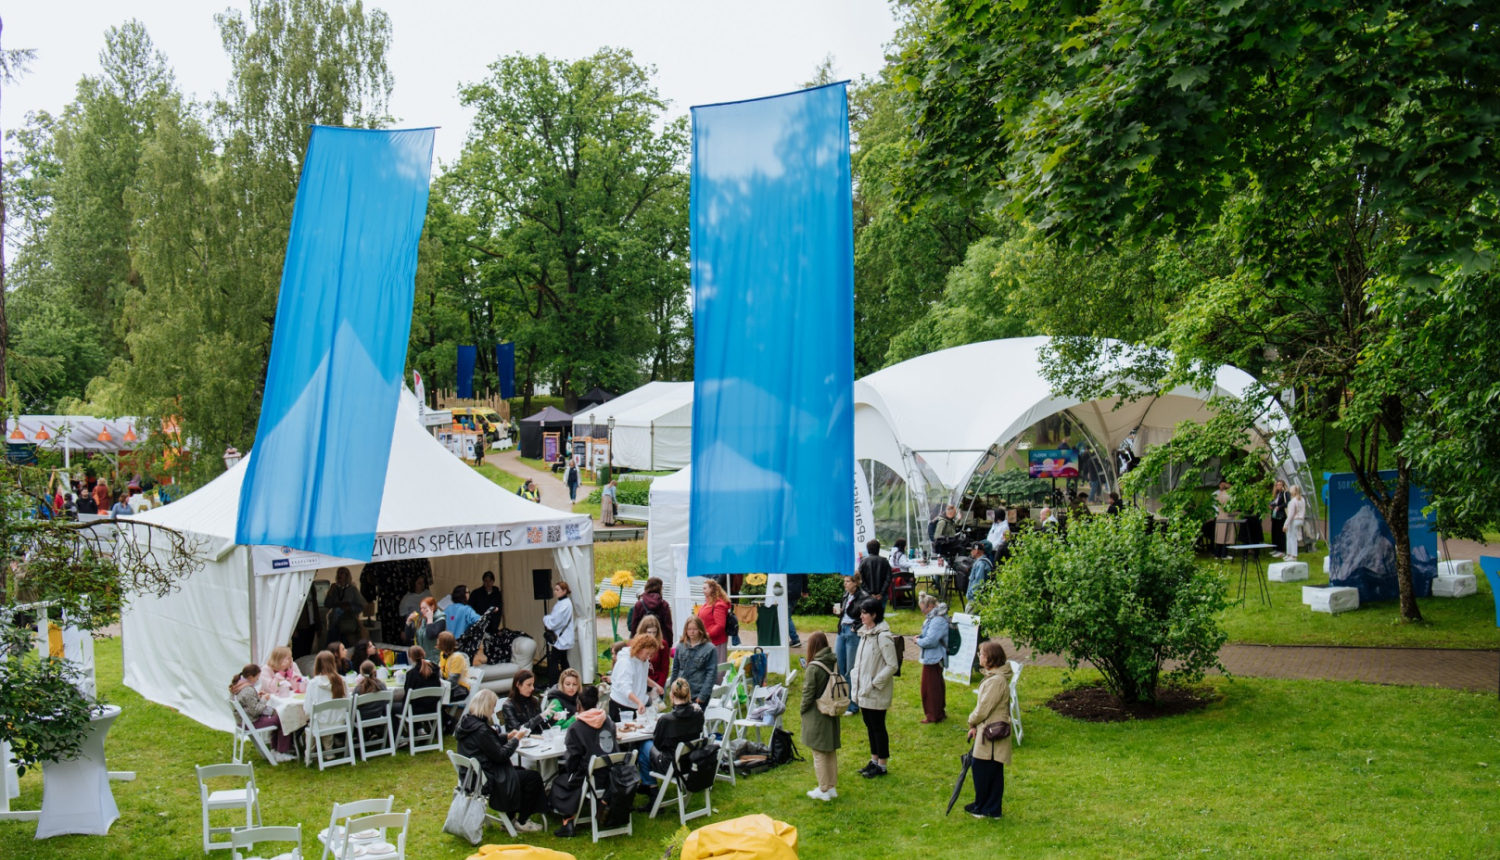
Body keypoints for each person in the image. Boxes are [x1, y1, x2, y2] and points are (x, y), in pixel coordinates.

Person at [455, 689, 546, 832]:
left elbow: (488, 743)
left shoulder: (468, 723)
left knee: (521, 772)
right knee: (532, 778)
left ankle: (510, 819)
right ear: (486, 706)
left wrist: (507, 737)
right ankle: (522, 821)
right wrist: (516, 740)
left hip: (474, 775)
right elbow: (501, 755)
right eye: (492, 707)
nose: (493, 712)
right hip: (486, 779)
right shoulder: (481, 730)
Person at [549, 686, 616, 839]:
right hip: (612, 777)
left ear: (579, 705)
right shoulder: (609, 722)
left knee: (561, 782)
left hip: (591, 779)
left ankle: (568, 820)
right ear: (596, 703)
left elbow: (572, 763)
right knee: (578, 778)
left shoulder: (576, 728)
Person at [966, 640, 1015, 819]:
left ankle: (984, 807)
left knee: (983, 768)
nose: (979, 656)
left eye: (982, 654)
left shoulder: (996, 681)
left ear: (990, 659)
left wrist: (971, 721)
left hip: (992, 732)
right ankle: (989, 807)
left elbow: (983, 709)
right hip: (989, 730)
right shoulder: (994, 678)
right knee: (990, 770)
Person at [851, 597, 898, 778]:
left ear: (874, 615)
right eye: (861, 612)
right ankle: (874, 760)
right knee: (869, 726)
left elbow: (892, 665)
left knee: (878, 727)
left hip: (875, 690)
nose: (861, 616)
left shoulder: (883, 636)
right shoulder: (865, 634)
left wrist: (874, 683)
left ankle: (882, 766)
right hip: (865, 688)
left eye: (865, 613)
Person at [636, 678, 704, 799]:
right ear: (688, 694)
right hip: (691, 761)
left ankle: (652, 790)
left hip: (671, 765)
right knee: (645, 750)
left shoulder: (666, 720)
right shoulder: (698, 714)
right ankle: (648, 786)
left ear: (671, 695)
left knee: (644, 744)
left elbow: (657, 745)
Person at [799, 632, 841, 801]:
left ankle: (823, 789)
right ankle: (831, 787)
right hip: (832, 710)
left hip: (818, 713)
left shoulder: (814, 667)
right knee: (830, 750)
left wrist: (802, 709)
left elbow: (808, 692)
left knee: (818, 752)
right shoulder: (833, 661)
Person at [229, 664, 295, 762]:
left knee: (277, 716)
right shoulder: (247, 690)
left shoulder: (238, 685)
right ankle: (281, 752)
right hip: (251, 722)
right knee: (283, 718)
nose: (257, 680)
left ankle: (275, 749)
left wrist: (257, 698)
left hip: (243, 722)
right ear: (251, 677)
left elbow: (248, 704)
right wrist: (264, 699)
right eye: (257, 678)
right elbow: (255, 711)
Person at [834, 573, 869, 715]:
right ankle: (843, 700)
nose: (845, 584)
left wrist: (857, 626)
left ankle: (853, 705)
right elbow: (847, 613)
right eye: (844, 581)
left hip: (852, 633)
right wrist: (840, 613)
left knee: (851, 670)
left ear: (856, 582)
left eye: (848, 581)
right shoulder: (846, 595)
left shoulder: (863, 597)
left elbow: (868, 615)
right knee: (840, 668)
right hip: (842, 630)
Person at [303, 650, 350, 754]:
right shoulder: (342, 681)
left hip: (320, 722)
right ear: (333, 663)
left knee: (315, 720)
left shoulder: (313, 683)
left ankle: (310, 753)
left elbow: (307, 709)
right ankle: (329, 752)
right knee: (322, 718)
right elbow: (348, 702)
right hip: (340, 721)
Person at [913, 594, 950, 723]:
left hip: (934, 656)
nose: (922, 613)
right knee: (936, 685)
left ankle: (933, 715)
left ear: (930, 606)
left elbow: (931, 641)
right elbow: (929, 635)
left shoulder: (937, 620)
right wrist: (921, 636)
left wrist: (918, 641)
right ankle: (939, 712)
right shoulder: (935, 617)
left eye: (923, 609)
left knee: (929, 688)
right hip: (934, 656)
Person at [608, 633, 661, 721]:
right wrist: (638, 701)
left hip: (635, 705)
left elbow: (641, 678)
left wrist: (656, 685)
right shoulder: (625, 663)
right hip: (621, 706)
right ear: (639, 648)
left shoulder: (643, 660)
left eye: (651, 655)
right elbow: (625, 688)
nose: (648, 657)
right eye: (647, 653)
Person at [669, 616, 716, 708]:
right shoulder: (680, 646)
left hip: (697, 693)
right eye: (689, 629)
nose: (692, 632)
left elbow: (711, 674)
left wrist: (703, 695)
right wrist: (672, 690)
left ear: (700, 630)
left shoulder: (710, 649)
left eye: (695, 629)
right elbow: (675, 669)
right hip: (680, 692)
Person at [543, 581, 576, 683]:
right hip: (562, 637)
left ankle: (553, 685)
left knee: (554, 662)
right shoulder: (563, 602)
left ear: (564, 591)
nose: (555, 592)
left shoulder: (565, 604)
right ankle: (569, 681)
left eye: (557, 590)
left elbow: (555, 621)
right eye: (555, 589)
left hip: (561, 638)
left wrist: (546, 619)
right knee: (563, 660)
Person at [324, 567, 365, 646]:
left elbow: (361, 605)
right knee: (332, 646)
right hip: (334, 624)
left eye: (342, 573)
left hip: (348, 623)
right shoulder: (335, 589)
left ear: (347, 575)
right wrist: (331, 592)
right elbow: (327, 605)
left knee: (346, 646)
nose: (339, 575)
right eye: (338, 573)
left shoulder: (353, 590)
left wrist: (350, 608)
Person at [626, 577, 673, 645]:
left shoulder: (639, 604)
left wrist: (634, 640)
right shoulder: (664, 605)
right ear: (660, 588)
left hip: (642, 641)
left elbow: (634, 625)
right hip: (660, 641)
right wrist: (669, 643)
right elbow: (668, 626)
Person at [502, 669, 549, 734]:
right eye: (529, 685)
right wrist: (538, 718)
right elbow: (517, 730)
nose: (532, 688)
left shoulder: (534, 700)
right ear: (518, 684)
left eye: (533, 684)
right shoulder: (508, 706)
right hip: (519, 741)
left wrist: (554, 719)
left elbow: (542, 725)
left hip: (536, 739)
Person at [697, 579, 732, 666]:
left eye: (705, 588)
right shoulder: (707, 603)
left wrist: (708, 634)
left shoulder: (718, 605)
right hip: (707, 640)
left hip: (717, 642)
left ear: (711, 589)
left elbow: (720, 625)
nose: (703, 591)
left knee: (718, 667)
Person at [633, 614, 671, 689]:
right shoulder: (635, 644)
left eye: (655, 632)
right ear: (643, 631)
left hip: (657, 682)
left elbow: (665, 669)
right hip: (640, 683)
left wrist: (659, 686)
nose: (652, 636)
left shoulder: (662, 645)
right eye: (649, 632)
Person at [402, 645, 443, 715]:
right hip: (434, 707)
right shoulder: (435, 669)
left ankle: (413, 726)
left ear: (411, 658)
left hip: (415, 710)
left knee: (389, 708)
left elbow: (407, 695)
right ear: (424, 654)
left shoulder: (412, 673)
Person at [437, 631, 472, 711]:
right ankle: (443, 720)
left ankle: (447, 720)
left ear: (443, 644)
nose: (437, 642)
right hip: (447, 686)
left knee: (434, 698)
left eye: (439, 640)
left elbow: (453, 680)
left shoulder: (457, 658)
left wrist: (439, 688)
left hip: (459, 689)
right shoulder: (443, 653)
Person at [858, 540, 892, 604]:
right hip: (882, 594)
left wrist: (869, 592)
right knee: (880, 612)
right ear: (878, 549)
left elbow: (861, 579)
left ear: (868, 549)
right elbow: (888, 578)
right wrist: (881, 593)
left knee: (868, 612)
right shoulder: (884, 561)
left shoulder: (863, 561)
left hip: (867, 594)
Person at [1213, 480, 1235, 559]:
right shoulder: (1228, 496)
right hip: (1226, 515)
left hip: (1220, 515)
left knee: (1220, 535)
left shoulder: (1220, 494)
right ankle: (1224, 554)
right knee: (1226, 535)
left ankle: (1217, 554)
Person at [1285, 485, 1306, 561]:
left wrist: (1286, 524)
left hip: (1294, 520)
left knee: (1291, 537)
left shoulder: (1292, 502)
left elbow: (1290, 515)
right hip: (1300, 519)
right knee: (1291, 536)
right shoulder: (1302, 499)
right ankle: (1289, 554)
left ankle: (1293, 555)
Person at [1269, 479, 1290, 558]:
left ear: (1283, 485)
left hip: (1281, 515)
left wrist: (1280, 507)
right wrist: (1271, 505)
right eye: (1277, 485)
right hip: (1275, 515)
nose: (1278, 486)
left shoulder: (1285, 493)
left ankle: (1281, 549)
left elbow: (1288, 502)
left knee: (1281, 533)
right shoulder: (1276, 494)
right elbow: (1274, 502)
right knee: (1275, 533)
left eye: (1280, 485)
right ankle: (1276, 548)